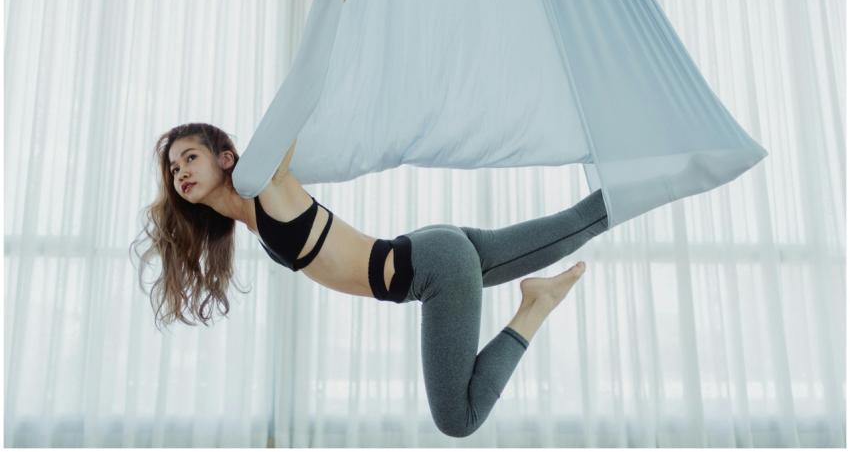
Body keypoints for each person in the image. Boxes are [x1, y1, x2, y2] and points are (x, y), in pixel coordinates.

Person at [131, 122, 609, 438]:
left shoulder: (266, 181)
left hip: (431, 268)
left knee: (458, 420)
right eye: (173, 168)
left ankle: (535, 306)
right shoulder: (250, 215)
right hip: (430, 251)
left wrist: (334, 9)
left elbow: (297, 99)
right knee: (571, 228)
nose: (180, 172)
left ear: (225, 158)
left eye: (190, 157)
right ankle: (638, 179)